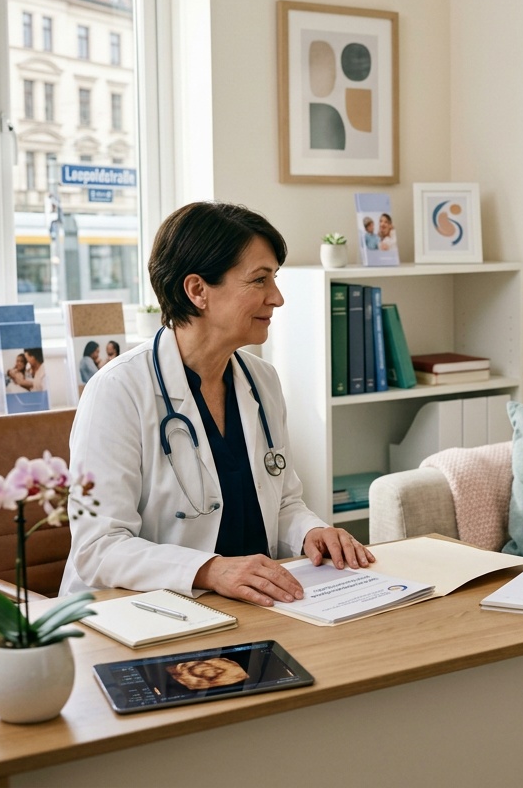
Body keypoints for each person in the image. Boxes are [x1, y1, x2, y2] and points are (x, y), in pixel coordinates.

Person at [60, 201, 374, 604]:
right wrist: (209, 569)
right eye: (259, 280)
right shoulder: (117, 390)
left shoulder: (262, 381)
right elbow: (98, 547)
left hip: (255, 603)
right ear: (197, 291)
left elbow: (283, 502)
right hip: (146, 612)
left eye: (274, 279)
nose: (276, 297)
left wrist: (311, 533)